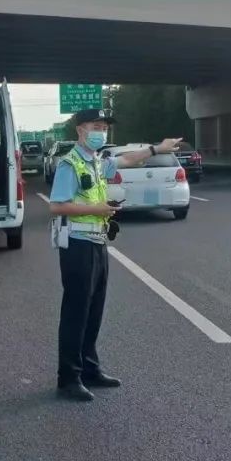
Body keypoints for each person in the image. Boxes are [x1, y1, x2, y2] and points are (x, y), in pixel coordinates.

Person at [48, 108, 182, 402]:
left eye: (105, 127)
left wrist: (157, 148)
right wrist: (98, 209)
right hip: (78, 245)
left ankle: (90, 370)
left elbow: (126, 159)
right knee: (76, 312)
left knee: (94, 310)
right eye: (96, 126)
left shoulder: (96, 161)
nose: (101, 132)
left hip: (97, 242)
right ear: (81, 130)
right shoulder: (69, 164)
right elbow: (57, 206)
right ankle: (68, 378)